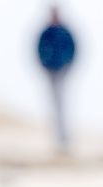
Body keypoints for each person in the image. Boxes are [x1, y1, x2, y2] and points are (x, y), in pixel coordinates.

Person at [37, 6, 77, 152]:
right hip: (50, 72)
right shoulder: (47, 32)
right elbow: (39, 49)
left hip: (62, 72)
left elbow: (73, 50)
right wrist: (44, 65)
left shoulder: (64, 32)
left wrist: (68, 66)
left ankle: (65, 138)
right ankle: (56, 137)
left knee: (62, 103)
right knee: (53, 104)